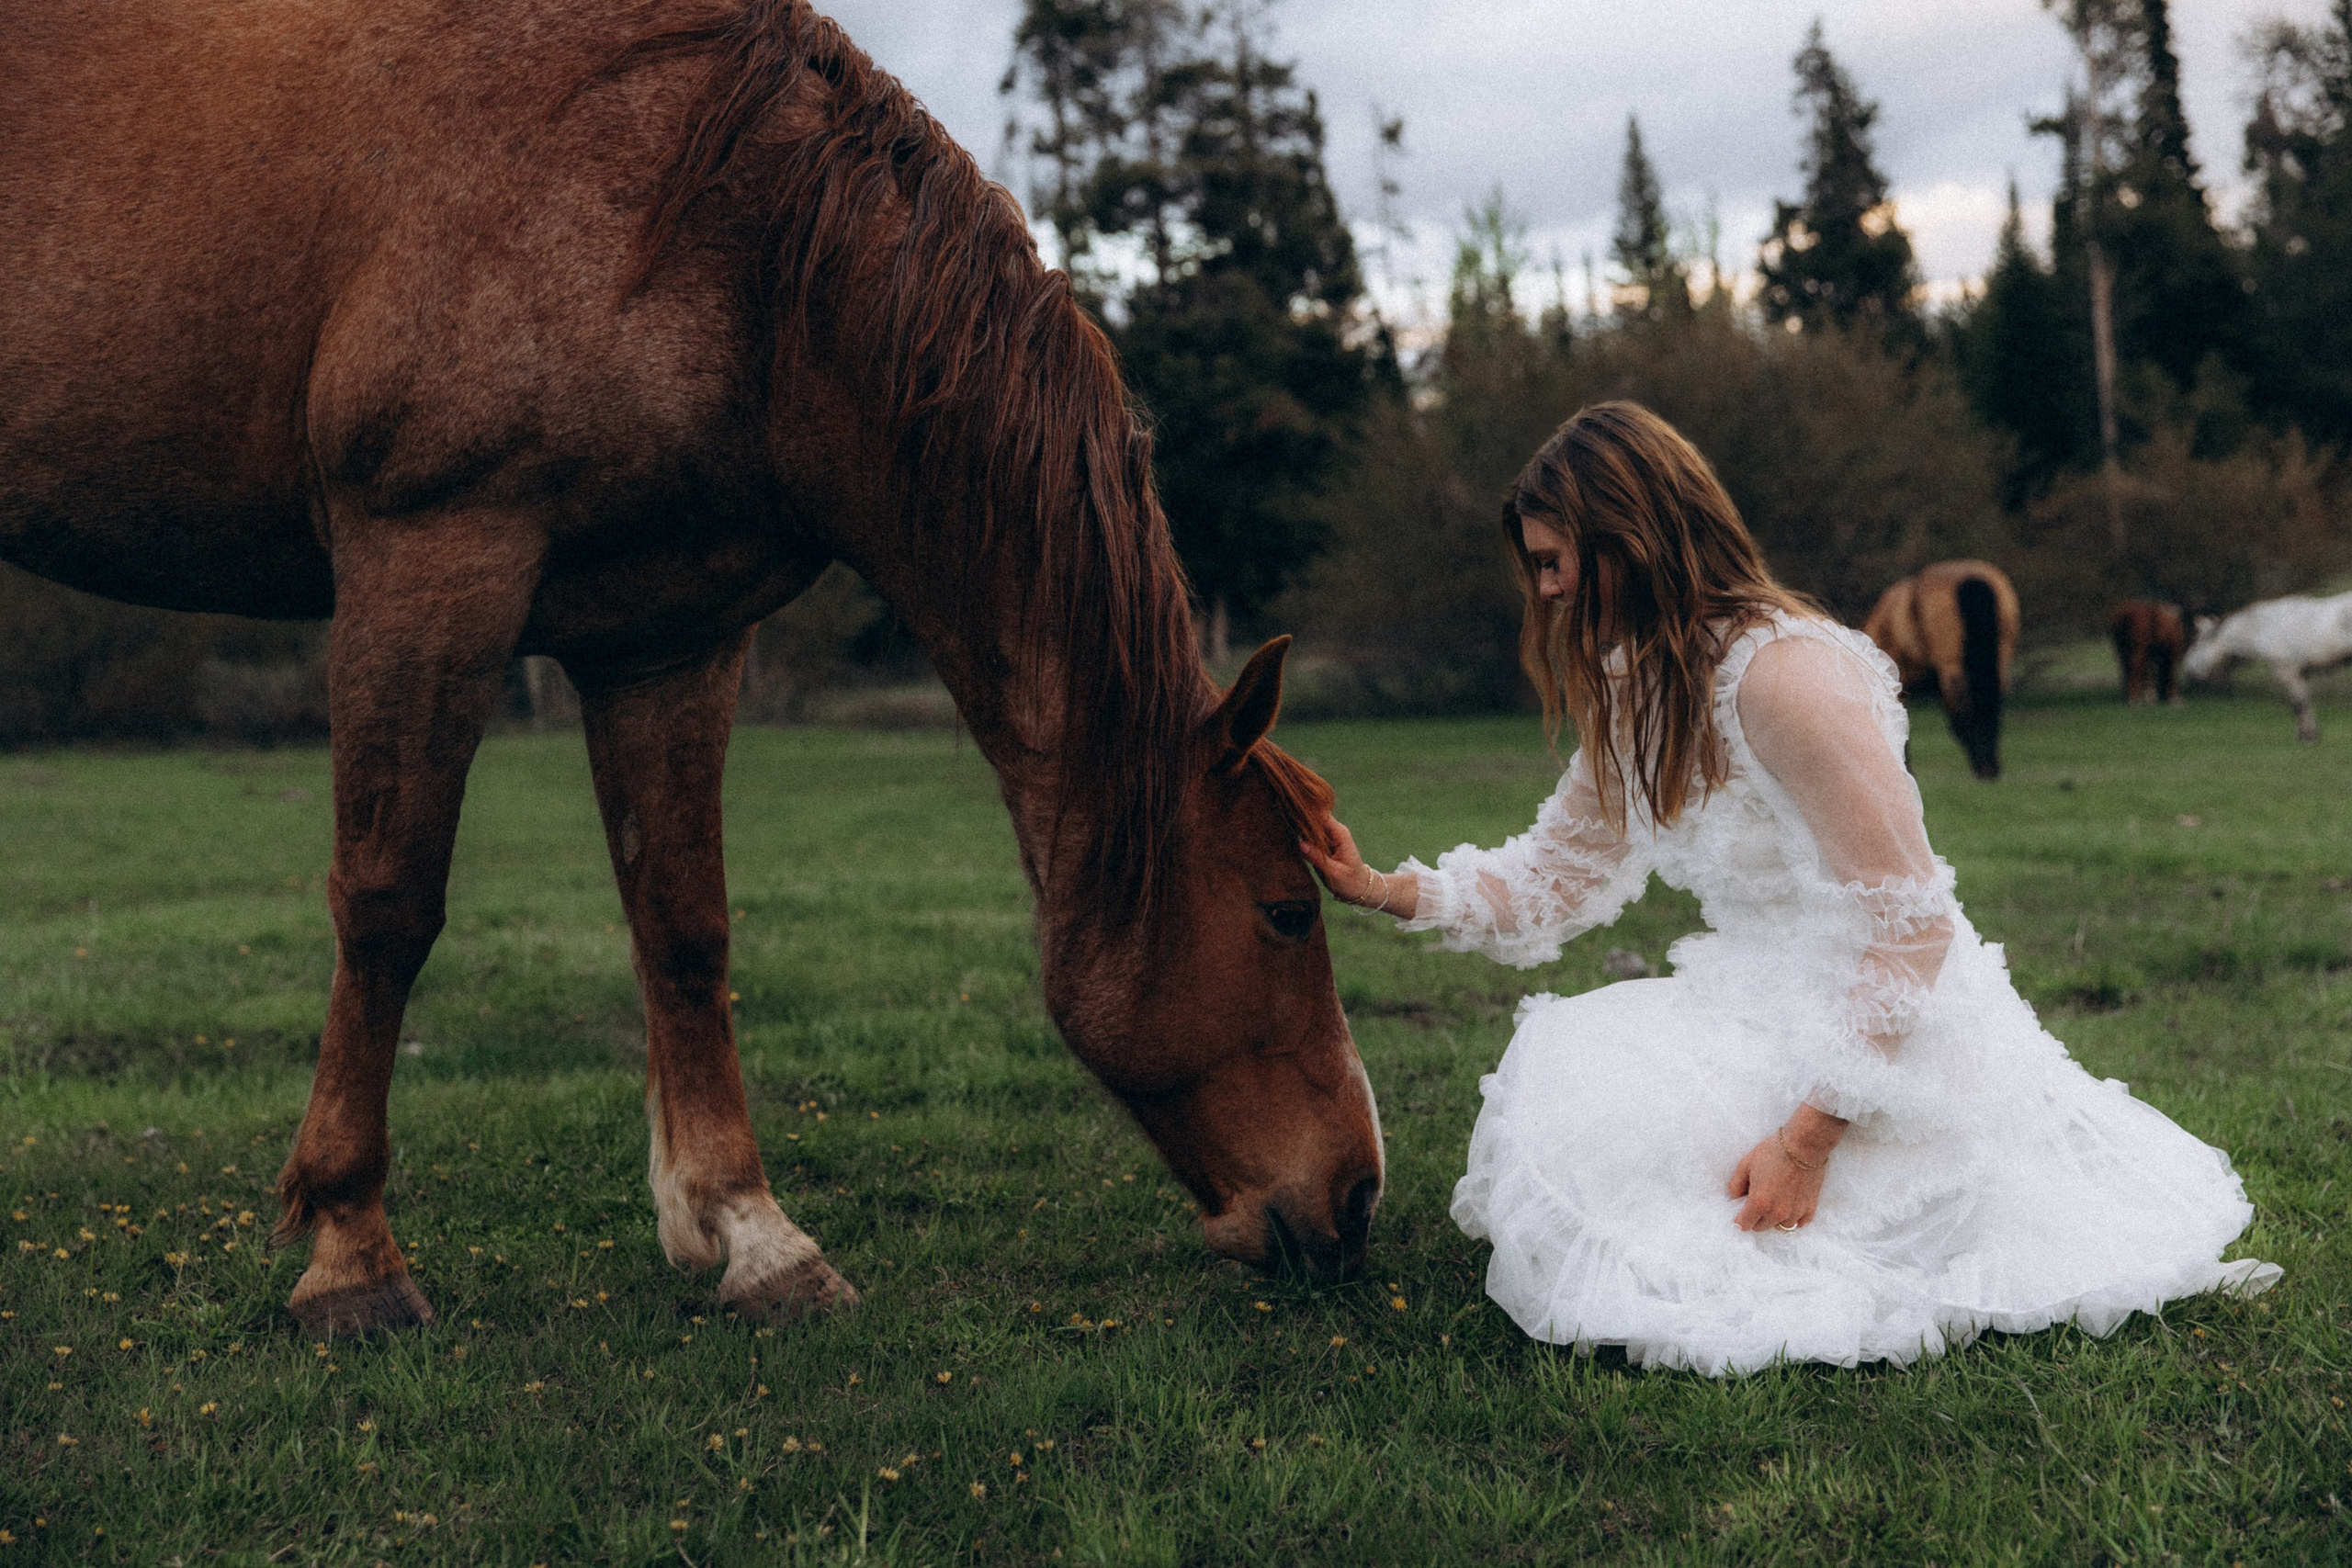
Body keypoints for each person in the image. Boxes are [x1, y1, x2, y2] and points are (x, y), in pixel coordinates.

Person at [1303, 402, 2278, 1375]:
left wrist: (1809, 1138)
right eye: (1539, 567)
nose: (1548, 591)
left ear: (1635, 539)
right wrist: (1384, 888)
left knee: (1697, 1211)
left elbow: (1911, 927)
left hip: (1880, 1026)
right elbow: (1554, 874)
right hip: (1747, 996)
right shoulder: (1636, 683)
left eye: (1559, 561)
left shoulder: (1786, 676)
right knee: (1580, 1080)